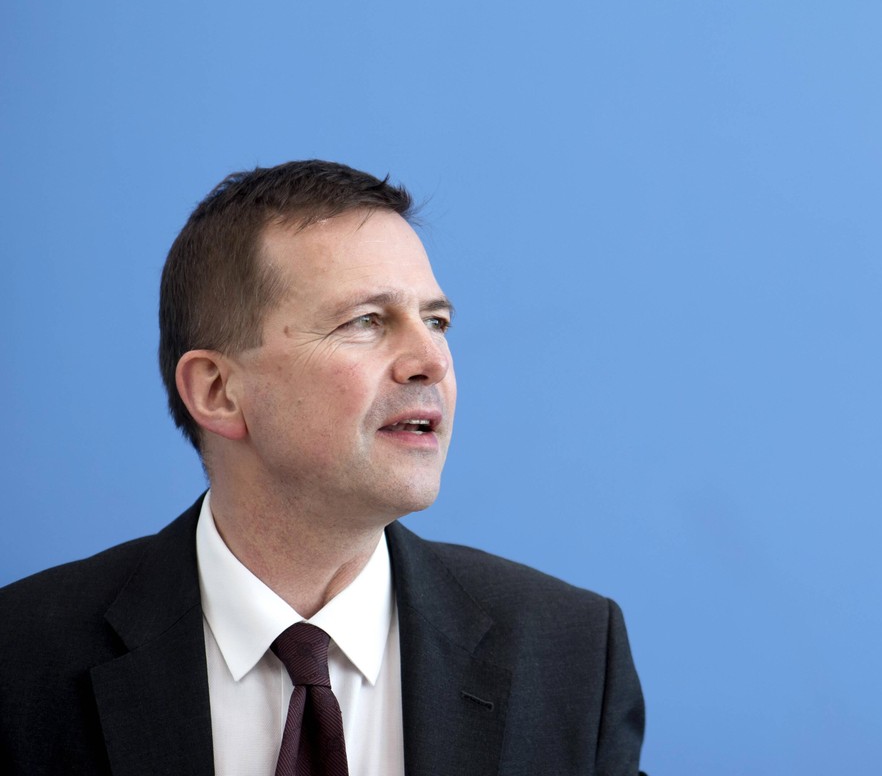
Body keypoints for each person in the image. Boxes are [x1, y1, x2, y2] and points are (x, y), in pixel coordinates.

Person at [0, 160, 646, 775]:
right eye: (366, 322)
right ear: (219, 391)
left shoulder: (571, 654)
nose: (431, 361)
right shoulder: (22, 660)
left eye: (436, 321)